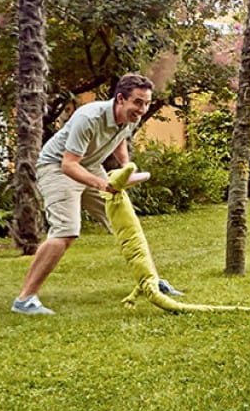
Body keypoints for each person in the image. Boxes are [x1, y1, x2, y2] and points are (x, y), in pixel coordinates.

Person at [10, 73, 181, 315]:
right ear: (120, 99)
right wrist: (102, 184)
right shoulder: (89, 117)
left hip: (89, 165)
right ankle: (24, 300)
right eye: (138, 102)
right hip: (57, 167)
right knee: (66, 231)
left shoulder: (129, 117)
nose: (142, 109)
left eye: (146, 103)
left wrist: (125, 166)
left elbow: (119, 139)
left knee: (126, 222)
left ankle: (151, 280)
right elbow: (69, 165)